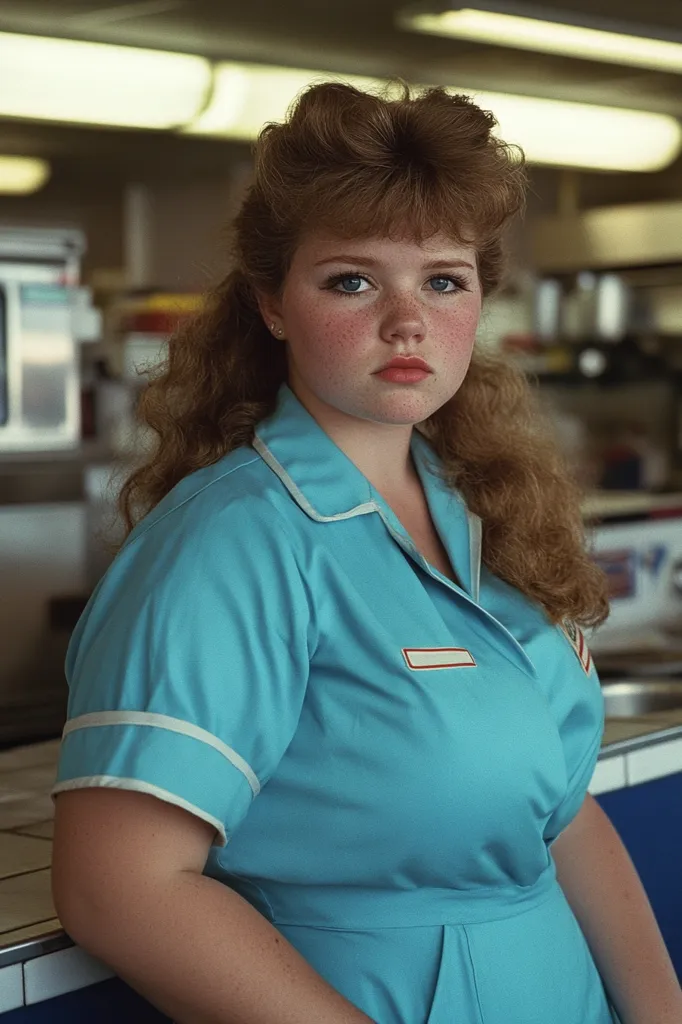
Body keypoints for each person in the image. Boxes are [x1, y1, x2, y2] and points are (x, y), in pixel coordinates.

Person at [50, 82, 682, 1024]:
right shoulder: (234, 544)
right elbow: (121, 887)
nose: (407, 321)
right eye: (352, 280)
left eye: (443, 279)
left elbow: (561, 814)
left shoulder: (484, 509)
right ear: (271, 303)